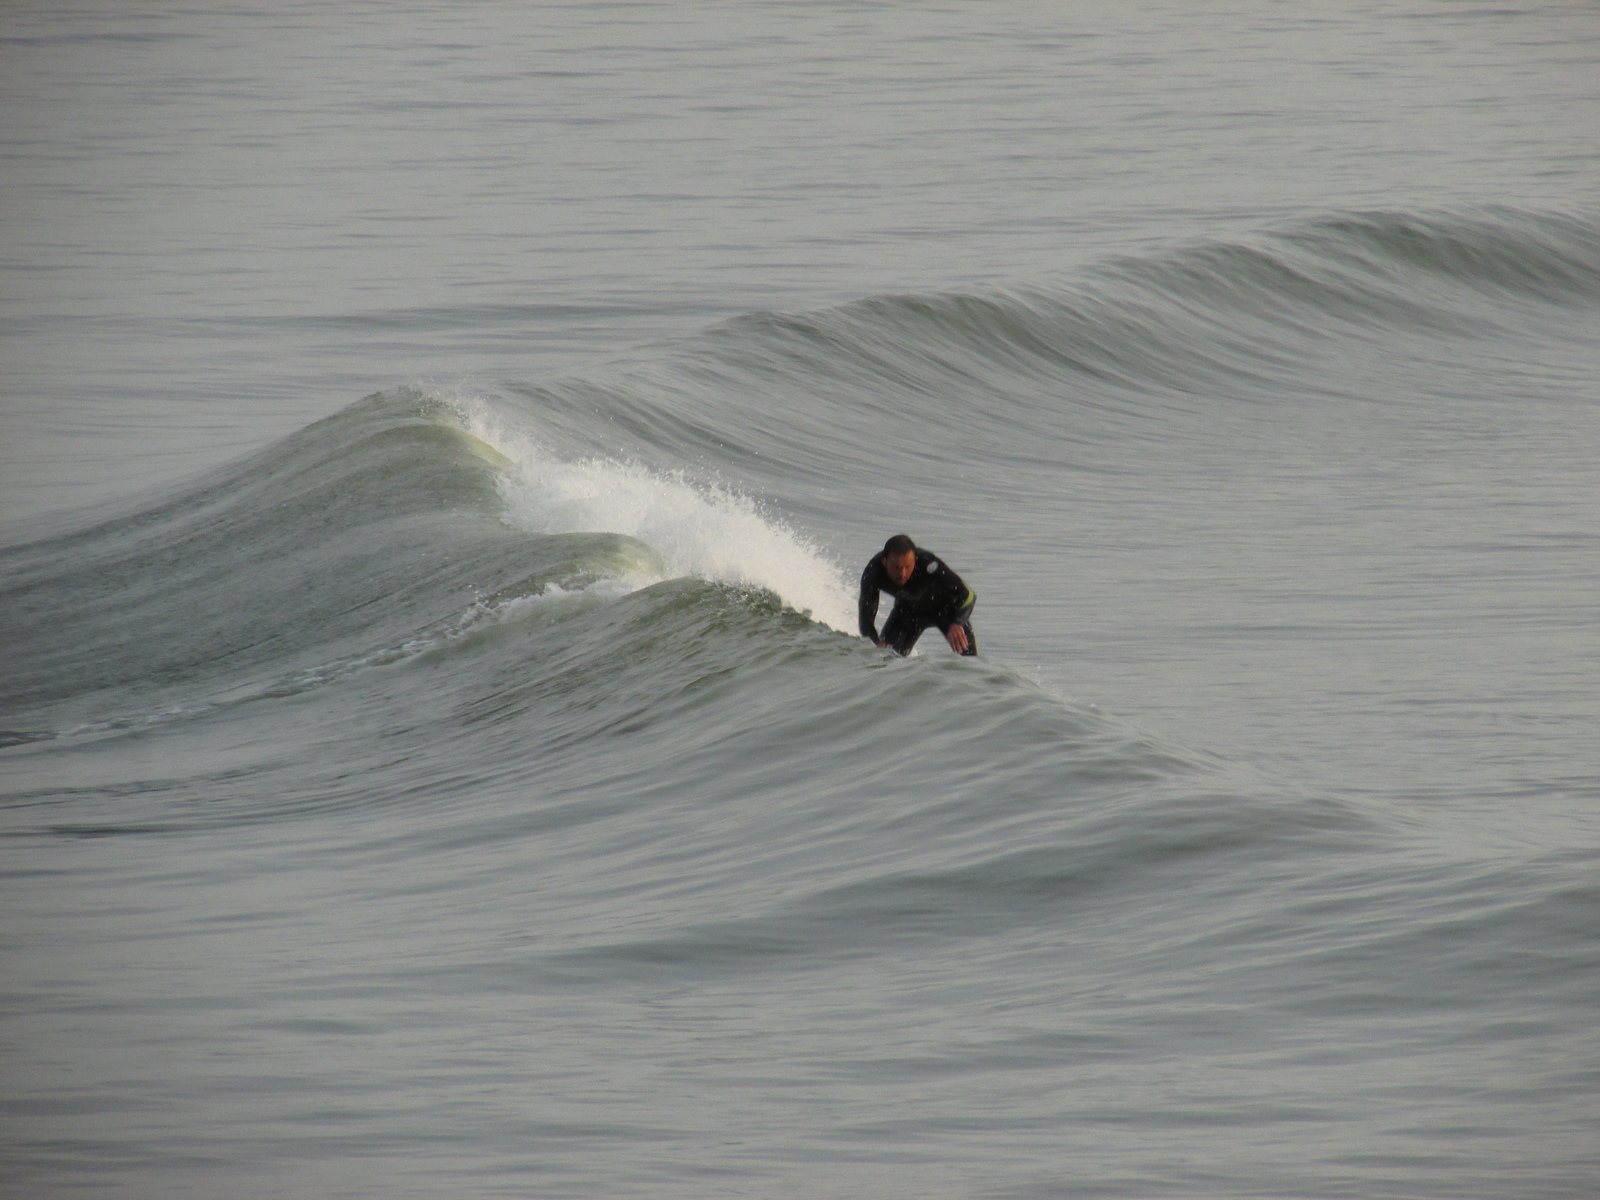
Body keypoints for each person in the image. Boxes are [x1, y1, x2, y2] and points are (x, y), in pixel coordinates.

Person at [859, 534, 977, 656]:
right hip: (908, 614)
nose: (903, 574)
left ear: (915, 559)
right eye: (896, 567)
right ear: (885, 561)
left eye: (908, 567)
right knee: (885, 658)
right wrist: (876, 642)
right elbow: (866, 621)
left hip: (947, 612)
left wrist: (957, 622)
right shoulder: (873, 573)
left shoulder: (928, 563)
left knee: (971, 662)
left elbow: (968, 595)